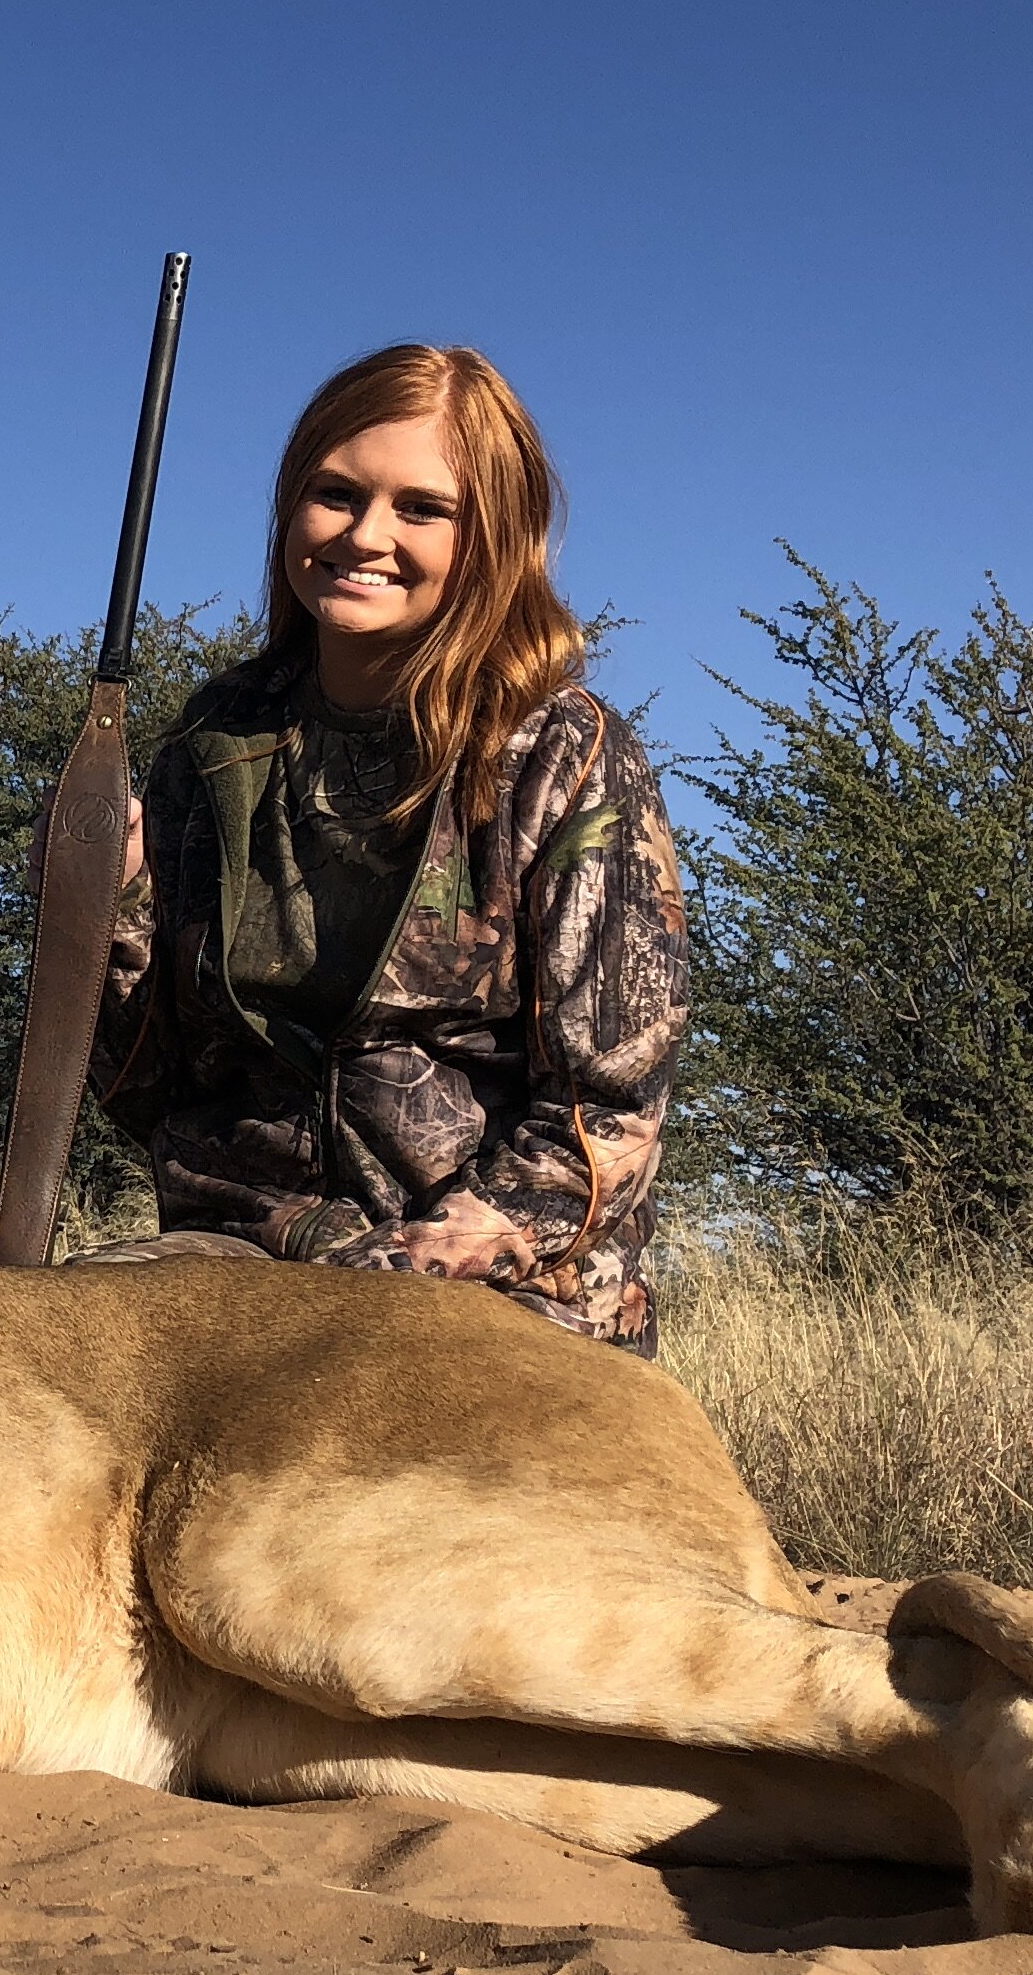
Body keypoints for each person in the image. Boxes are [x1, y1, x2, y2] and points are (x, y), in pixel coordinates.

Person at [85, 343, 687, 1351]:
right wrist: (116, 905)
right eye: (334, 494)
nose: (365, 536)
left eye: (421, 508)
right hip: (238, 1251)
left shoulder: (564, 754)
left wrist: (407, 1265)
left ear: (492, 537)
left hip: (497, 1284)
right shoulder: (218, 736)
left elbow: (608, 1114)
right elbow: (149, 1092)